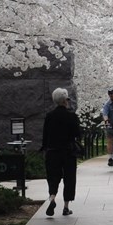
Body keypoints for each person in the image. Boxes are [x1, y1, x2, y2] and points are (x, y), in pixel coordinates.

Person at [41, 87, 82, 216]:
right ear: (65, 100)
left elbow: (45, 135)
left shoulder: (49, 116)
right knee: (69, 178)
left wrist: (45, 148)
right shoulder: (71, 116)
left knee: (53, 176)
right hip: (68, 151)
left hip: (53, 151)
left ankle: (52, 197)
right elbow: (78, 134)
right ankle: (66, 207)